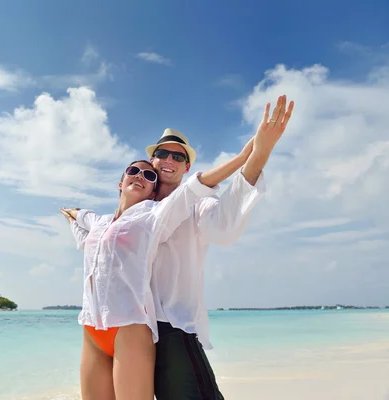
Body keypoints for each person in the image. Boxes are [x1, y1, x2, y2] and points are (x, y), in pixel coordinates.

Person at [64, 95, 294, 400]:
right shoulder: (128, 215)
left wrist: (256, 156)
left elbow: (224, 225)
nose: (168, 161)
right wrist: (75, 214)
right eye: (162, 154)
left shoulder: (194, 205)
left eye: (178, 157)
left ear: (187, 167)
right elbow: (93, 231)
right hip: (118, 326)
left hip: (171, 328)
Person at [59, 152, 263, 400]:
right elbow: (81, 220)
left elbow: (192, 189)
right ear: (121, 182)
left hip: (130, 328)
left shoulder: (152, 217)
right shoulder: (99, 222)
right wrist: (71, 213)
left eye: (148, 176)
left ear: (153, 191)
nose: (140, 176)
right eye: (133, 171)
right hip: (91, 327)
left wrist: (246, 156)